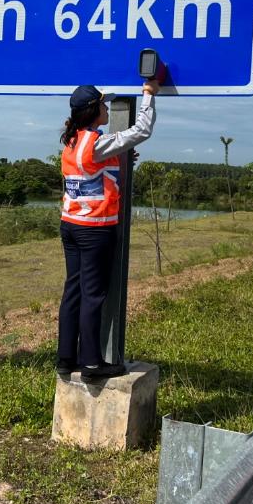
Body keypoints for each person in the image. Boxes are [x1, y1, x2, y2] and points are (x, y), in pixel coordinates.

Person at [56, 80, 159, 380]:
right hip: (94, 229)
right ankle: (91, 363)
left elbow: (96, 168)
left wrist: (122, 157)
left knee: (73, 291)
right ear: (93, 111)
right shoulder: (95, 142)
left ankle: (66, 358)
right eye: (102, 104)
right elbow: (141, 131)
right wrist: (149, 95)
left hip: (71, 225)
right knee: (93, 295)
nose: (105, 108)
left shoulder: (73, 141)